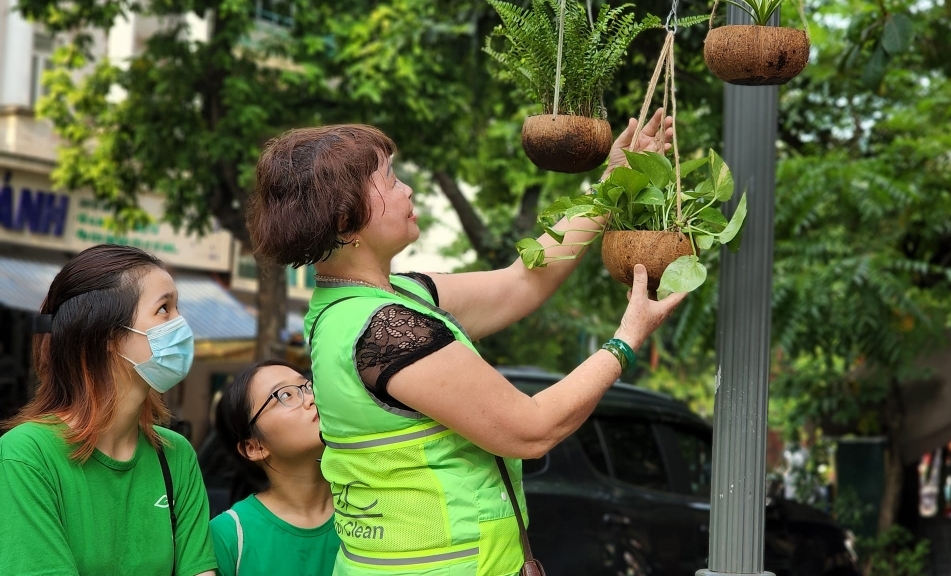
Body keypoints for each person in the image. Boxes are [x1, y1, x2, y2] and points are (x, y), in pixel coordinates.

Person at [245, 110, 685, 576]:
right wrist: (625, 341)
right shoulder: (382, 328)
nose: (407, 190)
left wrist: (609, 188)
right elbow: (530, 429)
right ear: (345, 219)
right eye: (390, 181)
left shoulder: (386, 299)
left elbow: (522, 283)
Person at [0, 244, 217, 576]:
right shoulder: (26, 456)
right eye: (164, 309)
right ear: (108, 335)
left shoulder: (176, 456)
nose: (181, 324)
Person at [209, 360, 340, 576]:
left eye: (308, 386)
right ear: (254, 447)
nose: (311, 398)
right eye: (285, 395)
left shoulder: (363, 504)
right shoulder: (229, 535)